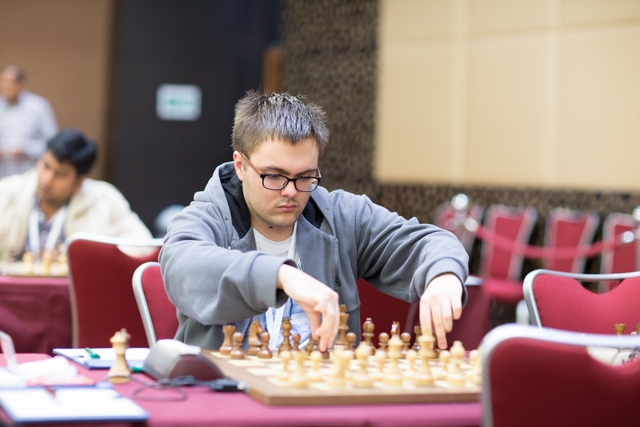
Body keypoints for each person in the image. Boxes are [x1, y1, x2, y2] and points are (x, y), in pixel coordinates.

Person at [160, 91, 469, 352]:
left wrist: (443, 274)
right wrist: (281, 276)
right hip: (226, 397)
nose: (291, 192)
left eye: (305, 177)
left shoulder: (342, 217)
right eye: (274, 176)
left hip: (318, 394)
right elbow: (183, 266)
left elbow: (431, 242)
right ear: (240, 165)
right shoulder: (205, 218)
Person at [0, 128, 153, 261]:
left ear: (79, 182)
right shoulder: (6, 192)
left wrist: (82, 258)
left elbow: (145, 247)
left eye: (60, 174)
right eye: (45, 166)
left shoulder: (105, 200)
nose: (47, 179)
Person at [0, 65, 58, 177]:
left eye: (8, 82)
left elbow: (53, 142)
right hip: (2, 176)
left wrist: (27, 150)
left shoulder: (38, 106)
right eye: (2, 81)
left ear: (21, 85)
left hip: (29, 174)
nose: (3, 86)